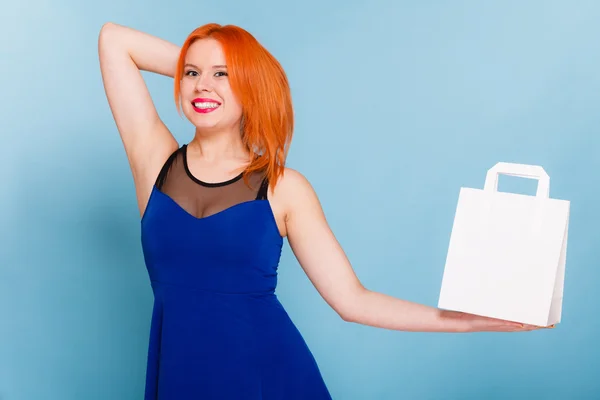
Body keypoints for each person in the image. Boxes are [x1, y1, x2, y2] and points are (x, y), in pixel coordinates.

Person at [98, 22, 547, 399]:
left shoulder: (283, 188)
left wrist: (469, 321)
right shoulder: (155, 162)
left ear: (250, 87)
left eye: (223, 75)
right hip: (180, 376)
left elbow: (353, 301)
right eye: (192, 73)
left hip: (267, 376)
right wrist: (211, 73)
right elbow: (113, 40)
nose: (202, 86)